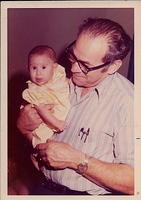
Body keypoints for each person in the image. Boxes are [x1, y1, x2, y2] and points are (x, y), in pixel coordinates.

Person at [17, 18, 134, 195]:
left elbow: (135, 181)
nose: (73, 68)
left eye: (85, 65)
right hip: (42, 185)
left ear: (113, 66)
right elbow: (34, 133)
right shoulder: (57, 79)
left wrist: (76, 160)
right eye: (73, 56)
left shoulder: (128, 102)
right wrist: (23, 128)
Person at [21, 45, 70, 147]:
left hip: (60, 110)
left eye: (43, 67)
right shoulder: (34, 91)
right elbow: (42, 109)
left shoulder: (58, 75)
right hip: (46, 121)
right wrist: (56, 123)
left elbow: (67, 81)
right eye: (34, 68)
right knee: (42, 141)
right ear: (28, 68)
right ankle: (36, 153)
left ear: (54, 67)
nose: (38, 73)